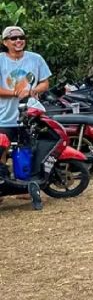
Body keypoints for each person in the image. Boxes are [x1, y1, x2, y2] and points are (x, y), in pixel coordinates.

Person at [0, 26, 51, 210]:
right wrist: (15, 93)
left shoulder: (35, 59)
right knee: (2, 151)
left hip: (30, 115)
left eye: (21, 37)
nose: (18, 41)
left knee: (28, 149)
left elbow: (45, 82)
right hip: (4, 116)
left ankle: (26, 187)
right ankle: (2, 188)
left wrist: (32, 91)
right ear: (5, 42)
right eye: (13, 38)